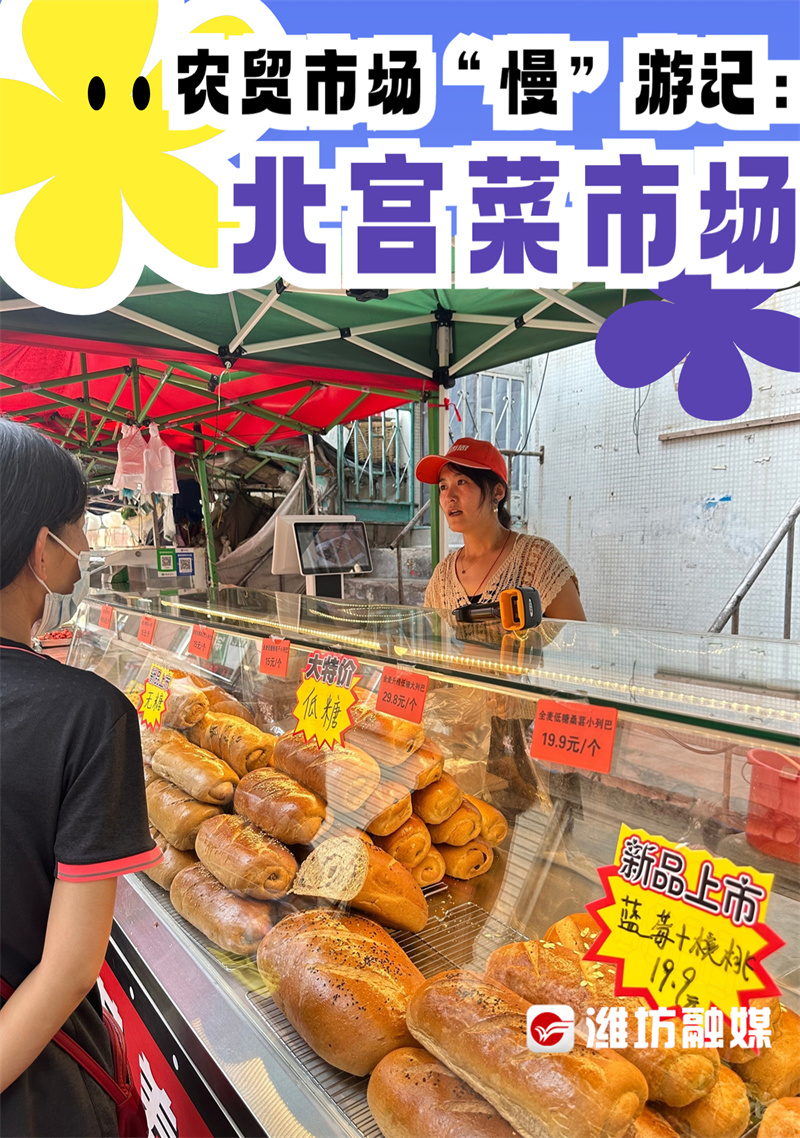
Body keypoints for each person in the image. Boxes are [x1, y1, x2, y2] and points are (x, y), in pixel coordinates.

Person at [0, 421, 161, 1136]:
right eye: (78, 525)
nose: (87, 545)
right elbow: (69, 970)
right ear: (41, 548)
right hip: (35, 1087)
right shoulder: (88, 715)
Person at [416, 437, 586, 620]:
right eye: (443, 486)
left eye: (461, 482)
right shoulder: (442, 576)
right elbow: (431, 635)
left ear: (497, 492)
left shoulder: (538, 560)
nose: (449, 496)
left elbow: (577, 635)